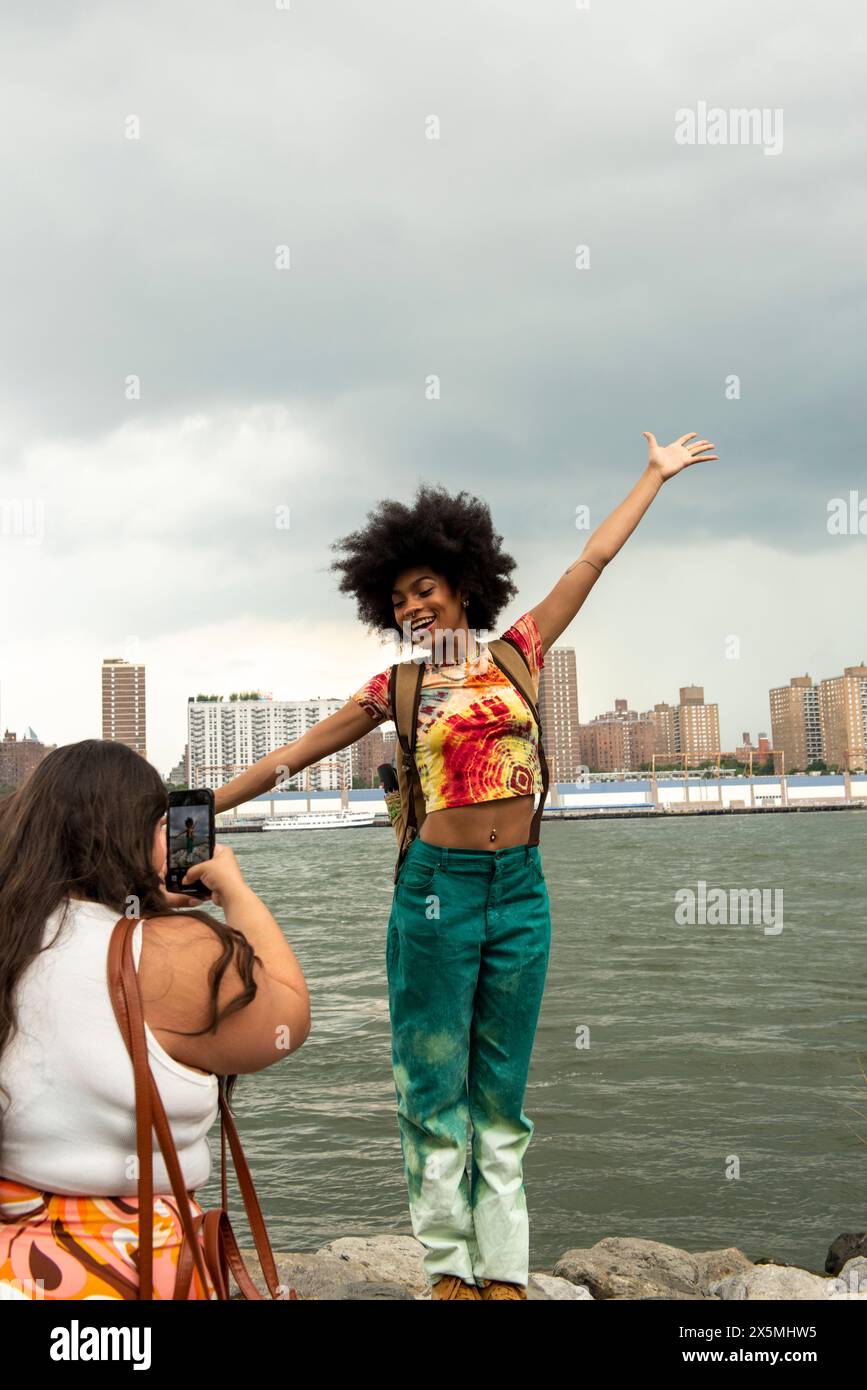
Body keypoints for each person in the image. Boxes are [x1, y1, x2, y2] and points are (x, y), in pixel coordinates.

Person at [212, 430, 718, 1300]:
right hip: (434, 897)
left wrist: (652, 477)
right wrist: (192, 807)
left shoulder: (519, 653)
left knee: (502, 1093)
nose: (414, 605)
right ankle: (449, 1267)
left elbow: (590, 563)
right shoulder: (394, 691)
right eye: (399, 596)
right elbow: (288, 758)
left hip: (520, 891)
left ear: (460, 587)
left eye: (427, 588)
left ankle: (506, 1273)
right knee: (431, 1078)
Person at [0, 739, 310, 1300]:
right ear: (137, 833)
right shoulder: (178, 953)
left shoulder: (11, 940)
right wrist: (234, 893)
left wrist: (146, 907)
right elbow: (288, 1015)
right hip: (136, 1265)